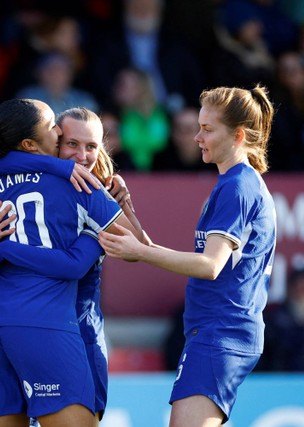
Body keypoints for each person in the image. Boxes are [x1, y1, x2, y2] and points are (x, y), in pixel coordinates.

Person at [99, 85, 277, 426]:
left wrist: (140, 252)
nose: (197, 136)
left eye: (208, 129)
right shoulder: (235, 182)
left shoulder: (237, 186)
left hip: (221, 334)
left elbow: (209, 266)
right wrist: (128, 212)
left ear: (239, 135)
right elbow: (159, 253)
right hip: (215, 333)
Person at [0, 98, 142, 427]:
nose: (59, 131)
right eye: (54, 129)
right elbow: (135, 248)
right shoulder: (79, 183)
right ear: (30, 144)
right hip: (46, 324)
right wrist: (97, 231)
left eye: (90, 145)